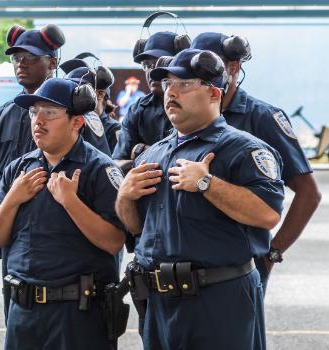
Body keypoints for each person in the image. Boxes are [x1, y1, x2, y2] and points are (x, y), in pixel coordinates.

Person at [115, 49, 285, 350]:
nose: (171, 93)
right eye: (167, 84)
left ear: (214, 93)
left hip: (218, 300)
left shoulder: (243, 149)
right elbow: (137, 228)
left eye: (184, 84)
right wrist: (125, 198)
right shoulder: (154, 154)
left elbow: (268, 214)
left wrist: (206, 183)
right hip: (159, 302)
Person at [0, 23, 112, 322]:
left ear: (53, 62)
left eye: (31, 57)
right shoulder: (1, 115)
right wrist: (6, 201)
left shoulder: (78, 110)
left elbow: (98, 171)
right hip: (17, 238)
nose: (21, 64)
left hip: (68, 248)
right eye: (16, 58)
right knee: (20, 311)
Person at [0, 78, 125, 349]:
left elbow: (114, 241)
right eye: (34, 112)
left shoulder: (99, 169)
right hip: (24, 312)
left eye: (50, 112)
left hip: (77, 315)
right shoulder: (18, 170)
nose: (38, 121)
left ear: (77, 122)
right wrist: (12, 199)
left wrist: (71, 202)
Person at [190, 32, 321, 291]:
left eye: (212, 69)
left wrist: (272, 253)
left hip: (240, 267)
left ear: (234, 67)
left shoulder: (261, 118)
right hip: (194, 264)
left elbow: (309, 193)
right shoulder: (191, 119)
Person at [113, 31, 190, 172]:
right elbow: (117, 165)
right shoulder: (136, 110)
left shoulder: (194, 105)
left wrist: (141, 153)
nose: (151, 71)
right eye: (147, 65)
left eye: (159, 63)